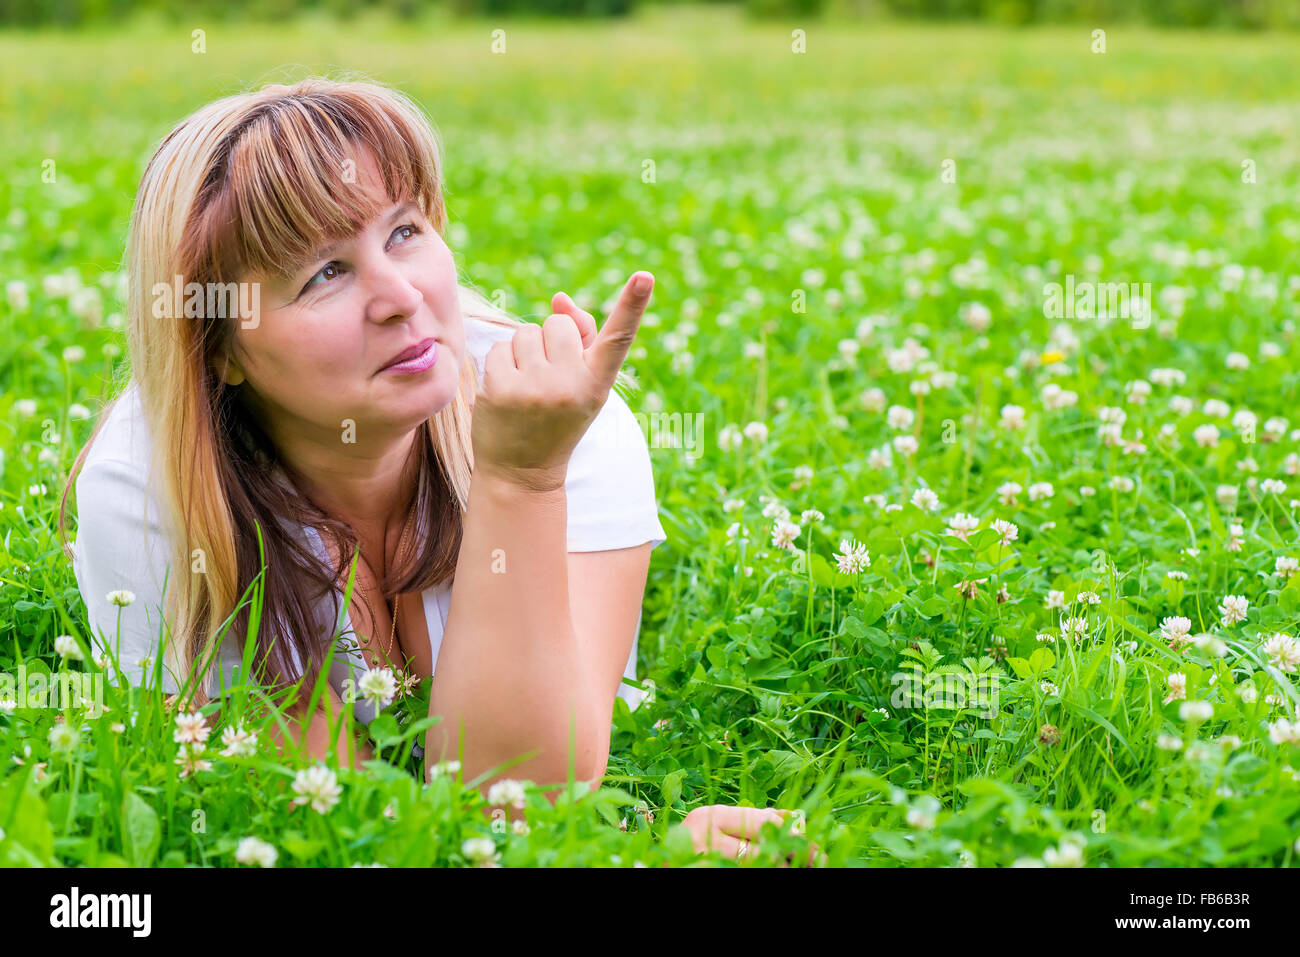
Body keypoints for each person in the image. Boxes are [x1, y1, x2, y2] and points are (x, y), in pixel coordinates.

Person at [60, 77, 806, 863]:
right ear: (220, 348)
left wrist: (525, 477)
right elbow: (347, 829)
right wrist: (646, 847)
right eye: (323, 274)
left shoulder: (567, 421)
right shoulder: (152, 492)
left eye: (405, 231)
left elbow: (527, 804)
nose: (399, 295)